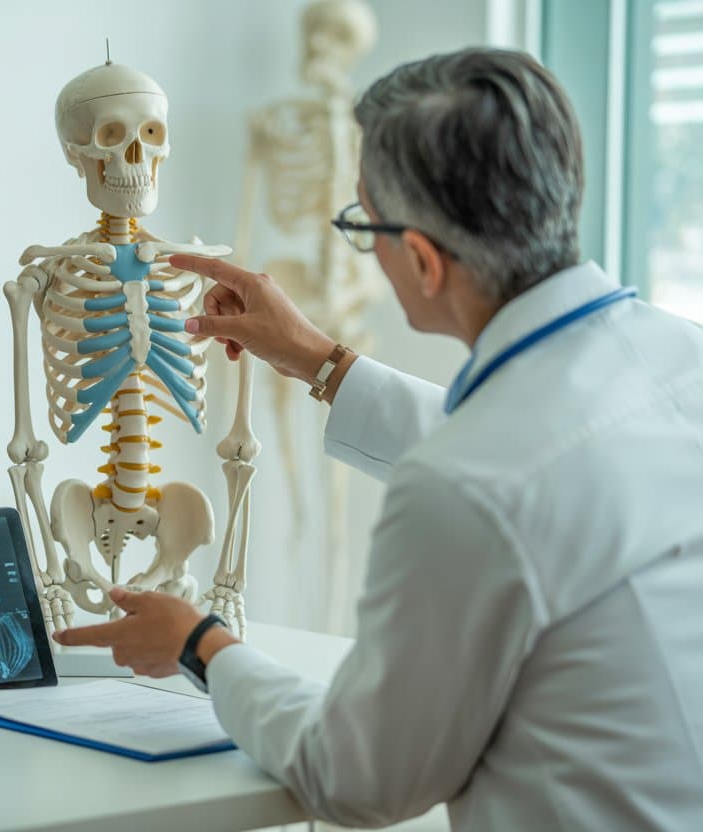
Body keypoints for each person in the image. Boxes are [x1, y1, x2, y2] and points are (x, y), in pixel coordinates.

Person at [54, 47, 703, 829]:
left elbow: (358, 778)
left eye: (363, 225)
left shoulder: (472, 483)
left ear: (423, 260)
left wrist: (202, 646)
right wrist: (323, 363)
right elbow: (554, 467)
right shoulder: (680, 355)